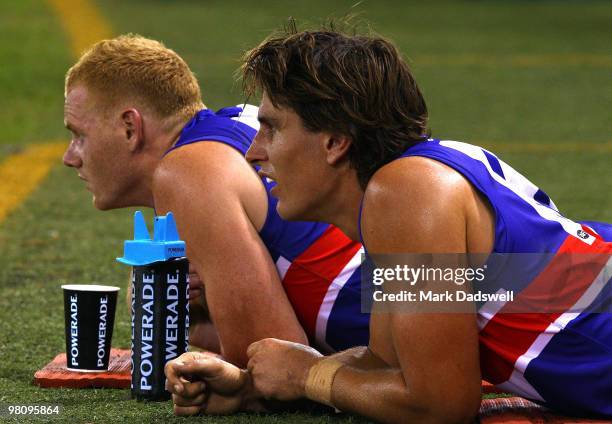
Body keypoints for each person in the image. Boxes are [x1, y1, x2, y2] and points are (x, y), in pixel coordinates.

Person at [165, 27, 612, 422]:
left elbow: (440, 405)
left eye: (272, 129)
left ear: (336, 142)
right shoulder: (410, 182)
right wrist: (254, 388)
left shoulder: (404, 192)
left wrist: (307, 375)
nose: (253, 151)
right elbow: (386, 364)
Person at [62, 34, 370, 367]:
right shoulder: (233, 124)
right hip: (417, 292)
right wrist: (196, 321)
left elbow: (270, 368)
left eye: (79, 135)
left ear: (129, 127)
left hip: (409, 311)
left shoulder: (188, 172)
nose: (70, 156)